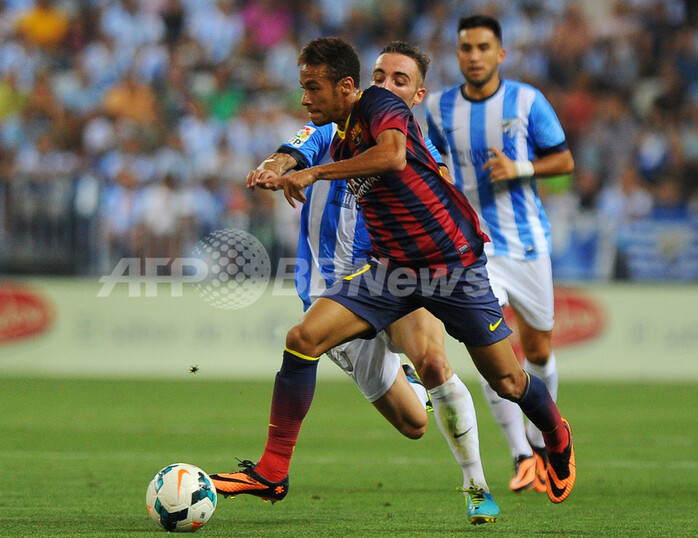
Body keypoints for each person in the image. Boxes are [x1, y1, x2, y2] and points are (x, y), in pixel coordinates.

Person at [211, 37, 575, 509]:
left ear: (347, 86)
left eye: (312, 88)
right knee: (303, 339)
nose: (304, 98)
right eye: (381, 75)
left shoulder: (381, 106)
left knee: (507, 381)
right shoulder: (335, 128)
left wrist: (316, 174)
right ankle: (272, 472)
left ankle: (555, 434)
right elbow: (297, 146)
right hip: (390, 269)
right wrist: (277, 166)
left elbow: (393, 157)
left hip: (452, 268)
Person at [425, 14, 575, 494]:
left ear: (500, 53)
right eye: (466, 48)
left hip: (528, 244)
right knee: (491, 352)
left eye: (483, 47)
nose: (474, 56)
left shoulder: (527, 101)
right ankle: (520, 454)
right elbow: (432, 161)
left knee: (539, 350)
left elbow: (564, 159)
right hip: (475, 249)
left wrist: (520, 168)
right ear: (457, 54)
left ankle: (541, 439)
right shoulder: (438, 108)